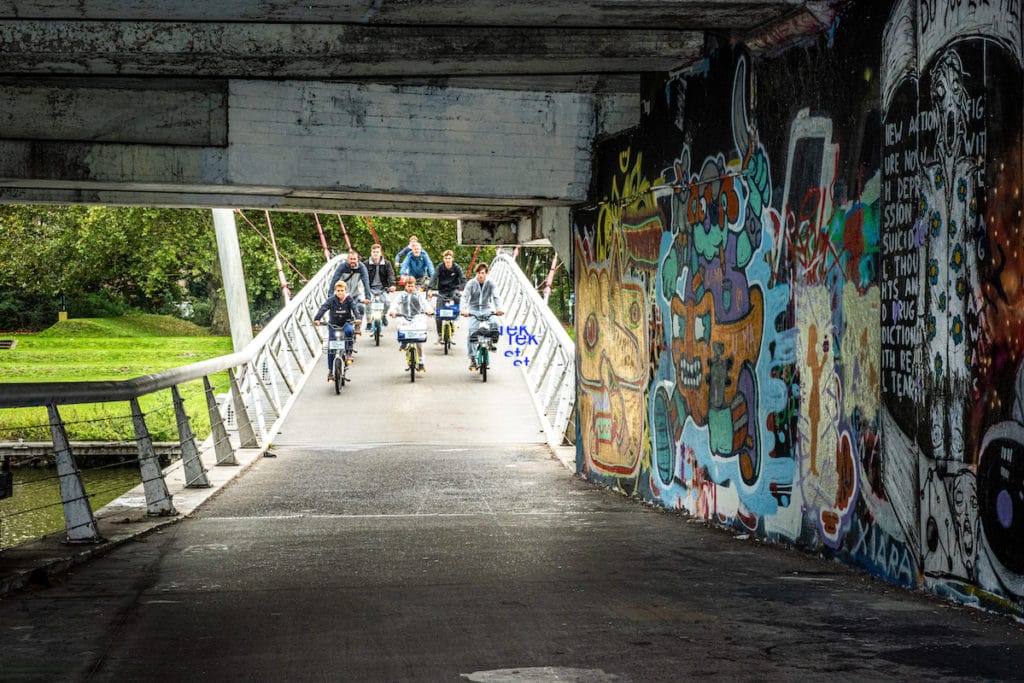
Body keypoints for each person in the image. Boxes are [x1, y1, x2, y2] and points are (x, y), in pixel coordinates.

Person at [460, 262, 504, 371]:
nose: (480, 275)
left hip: (487, 308)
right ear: (476, 273)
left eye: (483, 273)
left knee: (495, 322)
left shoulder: (491, 283)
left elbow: (496, 296)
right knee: (471, 333)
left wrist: (499, 309)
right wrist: (464, 310)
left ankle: (492, 342)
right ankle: (472, 358)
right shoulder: (471, 283)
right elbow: (465, 297)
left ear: (486, 273)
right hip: (474, 310)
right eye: (479, 273)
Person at [313, 281, 357, 381]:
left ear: (345, 291)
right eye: (338, 291)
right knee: (331, 348)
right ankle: (330, 371)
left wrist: (358, 317)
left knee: (350, 331)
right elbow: (323, 308)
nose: (340, 292)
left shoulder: (349, 299)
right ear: (335, 291)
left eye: (342, 290)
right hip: (333, 325)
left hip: (346, 324)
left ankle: (349, 352)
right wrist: (317, 319)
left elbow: (355, 308)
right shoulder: (331, 300)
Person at [389, 275, 434, 373]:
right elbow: (395, 303)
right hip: (404, 317)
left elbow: (424, 303)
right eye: (408, 286)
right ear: (405, 286)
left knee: (419, 341)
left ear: (415, 286)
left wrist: (429, 310)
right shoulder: (402, 295)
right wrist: (392, 311)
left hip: (417, 317)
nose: (410, 288)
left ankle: (421, 362)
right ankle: (404, 343)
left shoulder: (418, 295)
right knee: (401, 326)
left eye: (412, 286)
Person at [329, 250, 371, 335]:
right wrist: (330, 295)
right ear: (348, 260)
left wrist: (367, 297)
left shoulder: (362, 267)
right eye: (351, 259)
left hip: (356, 293)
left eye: (354, 259)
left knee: (361, 307)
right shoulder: (342, 267)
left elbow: (366, 282)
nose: (353, 261)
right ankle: (336, 328)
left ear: (357, 259)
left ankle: (357, 325)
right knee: (339, 310)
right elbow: (334, 280)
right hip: (343, 294)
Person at [429, 249, 465, 344]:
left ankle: (456, 316)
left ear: (452, 259)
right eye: (446, 258)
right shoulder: (440, 267)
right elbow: (433, 278)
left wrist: (463, 287)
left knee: (457, 296)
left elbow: (462, 279)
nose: (448, 260)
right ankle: (440, 335)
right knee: (438, 313)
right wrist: (430, 289)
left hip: (453, 290)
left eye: (449, 258)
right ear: (443, 259)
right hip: (442, 291)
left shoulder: (457, 268)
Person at [363, 243, 396, 327]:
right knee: (368, 303)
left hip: (383, 288)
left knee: (387, 302)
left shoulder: (387, 263)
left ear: (380, 253)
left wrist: (392, 285)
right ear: (371, 253)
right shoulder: (366, 264)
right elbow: (362, 276)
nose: (375, 254)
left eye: (377, 252)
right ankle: (369, 321)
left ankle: (383, 315)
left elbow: (391, 274)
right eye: (374, 252)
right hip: (370, 288)